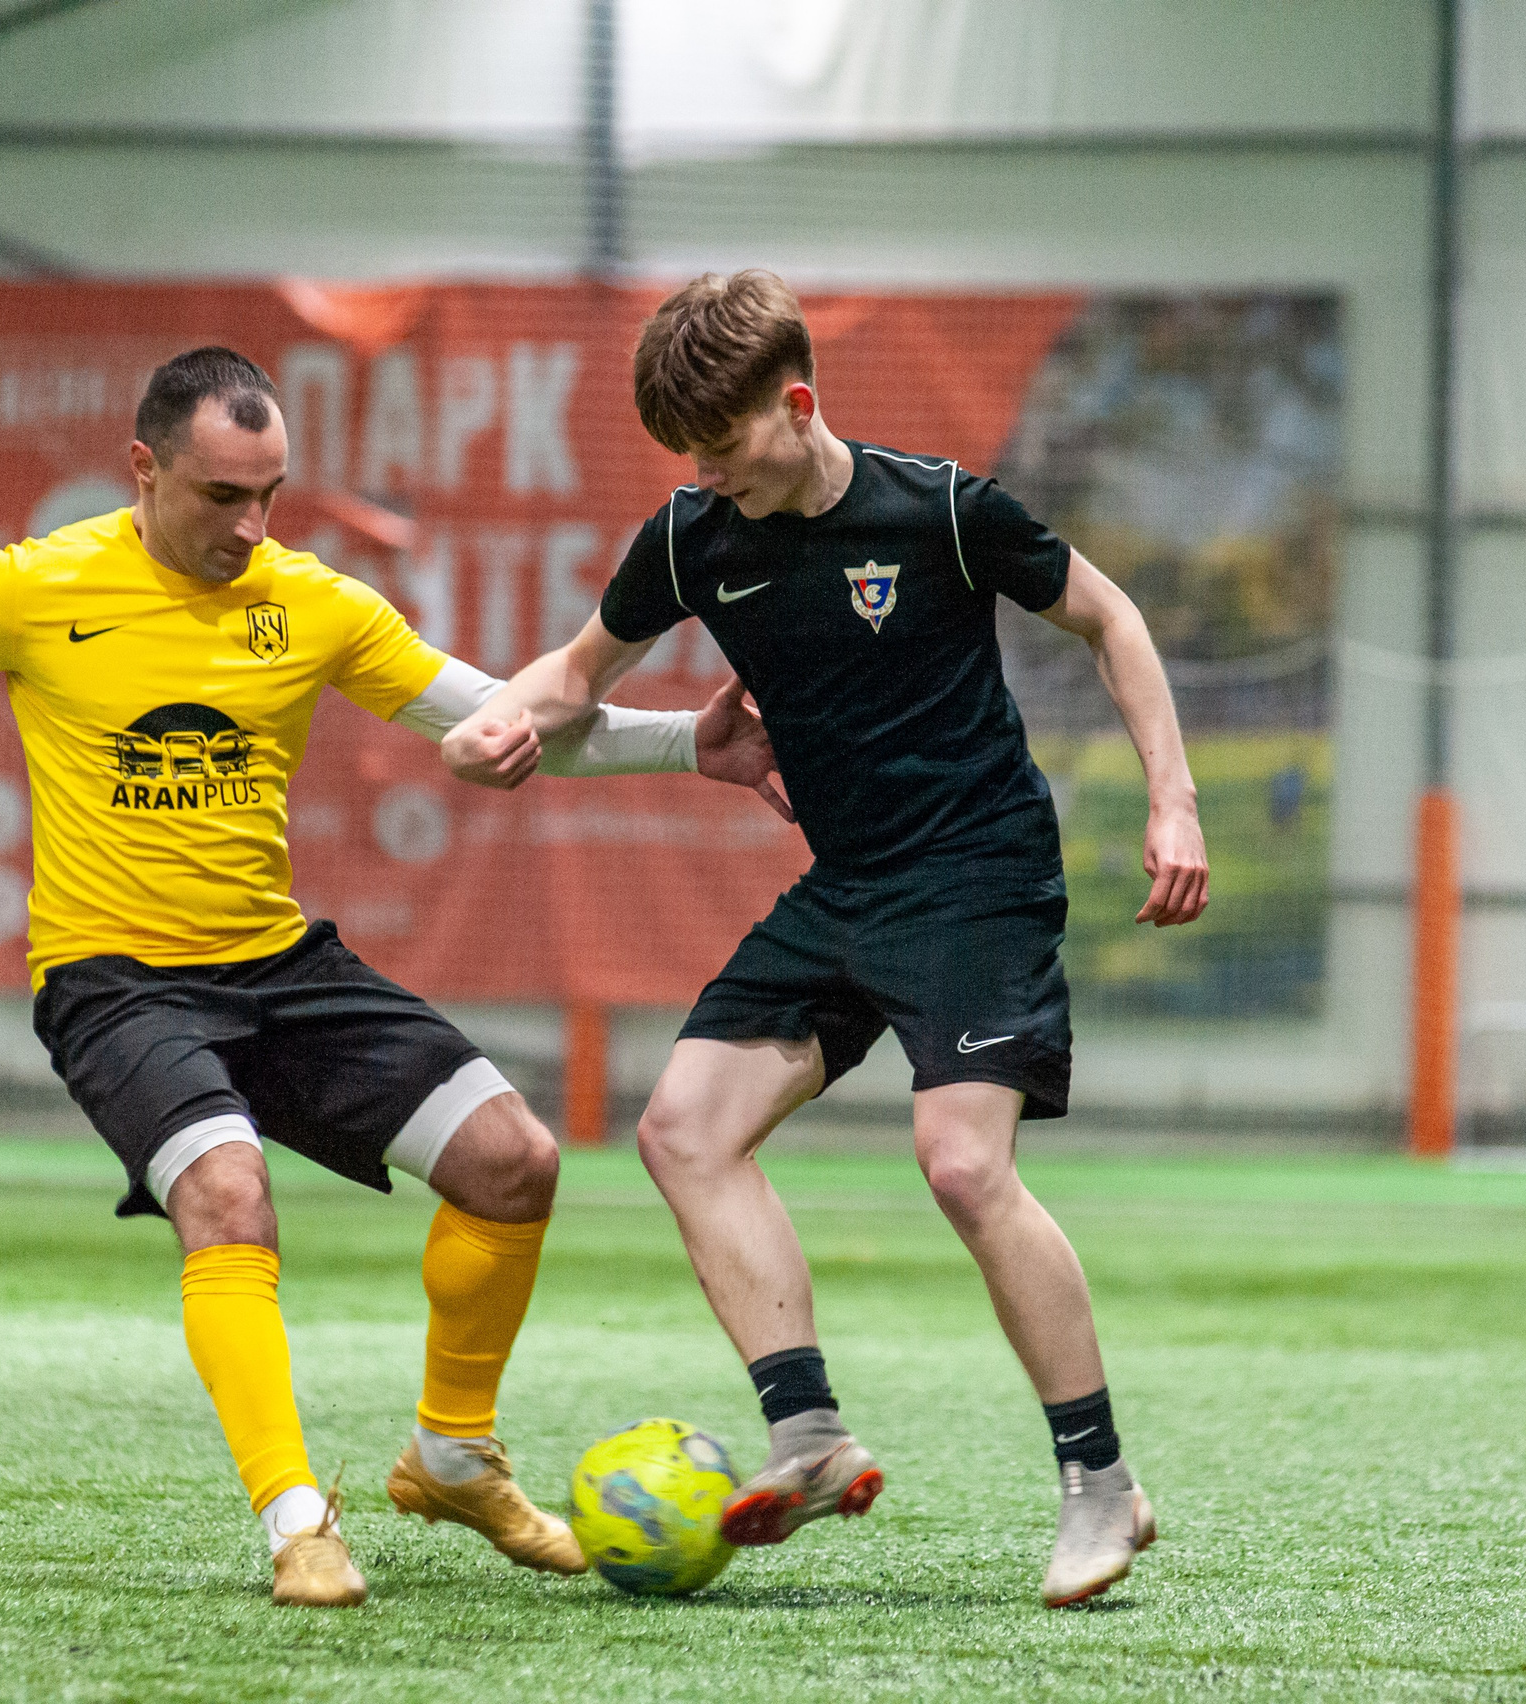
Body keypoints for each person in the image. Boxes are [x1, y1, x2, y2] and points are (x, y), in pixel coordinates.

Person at [0, 346, 784, 1608]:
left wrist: (688, 745)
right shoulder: (35, 584)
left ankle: (452, 1459)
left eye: (270, 493)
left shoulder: (311, 601)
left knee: (515, 1160)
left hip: (275, 965)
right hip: (114, 984)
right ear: (144, 467)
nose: (251, 525)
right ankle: (298, 1521)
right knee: (229, 1195)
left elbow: (498, 719)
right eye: (222, 494)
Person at [440, 272, 1210, 1607]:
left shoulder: (942, 511)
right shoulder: (693, 537)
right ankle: (807, 1437)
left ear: (797, 405)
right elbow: (577, 673)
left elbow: (1110, 618)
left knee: (961, 1165)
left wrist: (1174, 801)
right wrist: (502, 721)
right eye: (686, 453)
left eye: (723, 444)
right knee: (683, 1130)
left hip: (978, 878)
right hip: (848, 886)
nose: (706, 473)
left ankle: (1100, 1484)